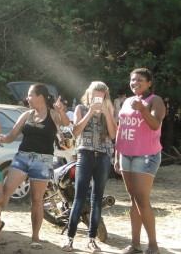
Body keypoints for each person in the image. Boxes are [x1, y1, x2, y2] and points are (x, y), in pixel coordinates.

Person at [0, 83, 70, 250]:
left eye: (30, 95)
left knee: (36, 200)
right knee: (6, 190)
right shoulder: (26, 115)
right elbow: (12, 135)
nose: (27, 98)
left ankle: (35, 237)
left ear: (40, 97)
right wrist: (2, 139)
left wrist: (61, 111)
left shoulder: (53, 114)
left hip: (43, 161)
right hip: (22, 157)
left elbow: (67, 125)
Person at [61, 82, 117, 253]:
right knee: (78, 198)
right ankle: (70, 239)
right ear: (89, 94)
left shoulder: (109, 109)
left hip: (103, 156)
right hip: (85, 154)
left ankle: (91, 239)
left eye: (102, 94)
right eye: (95, 94)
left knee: (97, 199)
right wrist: (91, 111)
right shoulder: (81, 108)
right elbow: (75, 132)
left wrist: (106, 112)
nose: (98, 97)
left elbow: (113, 134)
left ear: (105, 95)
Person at [115, 68, 165, 254]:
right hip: (126, 154)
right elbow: (121, 128)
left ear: (149, 83)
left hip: (146, 155)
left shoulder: (155, 100)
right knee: (133, 200)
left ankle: (153, 245)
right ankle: (135, 245)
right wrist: (116, 154)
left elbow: (155, 125)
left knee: (142, 199)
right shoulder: (127, 101)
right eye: (133, 80)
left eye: (140, 80)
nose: (135, 82)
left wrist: (143, 109)